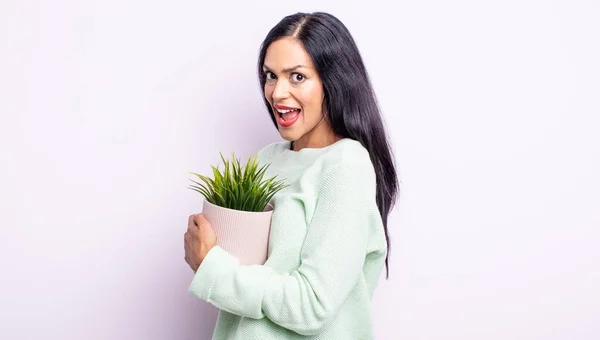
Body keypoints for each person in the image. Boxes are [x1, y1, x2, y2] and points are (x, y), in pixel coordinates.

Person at [184, 11, 399, 339]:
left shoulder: (346, 167)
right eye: (270, 76)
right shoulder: (266, 161)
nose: (277, 93)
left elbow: (313, 305)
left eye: (296, 76)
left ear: (333, 80)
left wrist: (210, 267)